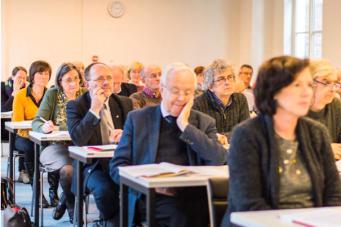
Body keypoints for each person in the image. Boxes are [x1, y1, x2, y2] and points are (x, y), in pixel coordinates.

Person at [222, 56, 341, 226]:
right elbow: (249, 203)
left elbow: (334, 194)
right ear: (274, 91)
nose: (307, 92)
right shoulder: (247, 135)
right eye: (297, 85)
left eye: (309, 85)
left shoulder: (317, 133)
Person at [110, 62, 227, 227]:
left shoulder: (203, 122)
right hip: (152, 196)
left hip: (195, 196)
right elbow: (117, 168)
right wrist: (149, 184)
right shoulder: (138, 119)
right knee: (180, 215)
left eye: (187, 92)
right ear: (163, 90)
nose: (181, 98)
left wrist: (185, 126)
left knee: (226, 214)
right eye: (175, 91)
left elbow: (218, 159)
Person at [66, 62, 133, 226]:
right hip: (91, 165)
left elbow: (136, 136)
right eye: (100, 78)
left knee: (139, 188)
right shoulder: (76, 105)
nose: (106, 82)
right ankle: (114, 222)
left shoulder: (124, 103)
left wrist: (126, 135)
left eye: (109, 78)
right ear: (87, 84)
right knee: (105, 190)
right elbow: (78, 140)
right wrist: (94, 110)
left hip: (120, 161)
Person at [32, 63, 86, 223]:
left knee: (86, 169)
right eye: (68, 80)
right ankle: (71, 208)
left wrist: (60, 126)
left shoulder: (84, 94)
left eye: (76, 79)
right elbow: (36, 122)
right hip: (55, 147)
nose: (73, 83)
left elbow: (87, 123)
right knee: (69, 171)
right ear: (60, 81)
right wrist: (45, 127)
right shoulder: (52, 94)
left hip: (80, 146)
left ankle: (63, 199)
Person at [12, 60, 52, 207]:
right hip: (24, 136)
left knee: (59, 149)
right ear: (32, 76)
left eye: (46, 73)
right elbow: (17, 122)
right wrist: (37, 126)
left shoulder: (51, 94)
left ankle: (53, 192)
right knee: (31, 148)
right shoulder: (21, 95)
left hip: (47, 135)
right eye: (40, 73)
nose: (43, 76)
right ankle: (37, 193)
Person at [193, 59, 250, 145]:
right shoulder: (198, 103)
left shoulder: (240, 99)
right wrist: (216, 138)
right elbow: (199, 136)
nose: (227, 82)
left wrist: (225, 138)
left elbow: (245, 131)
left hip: (234, 151)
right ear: (210, 86)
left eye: (230, 77)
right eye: (221, 79)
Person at [307, 60, 341, 159]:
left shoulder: (335, 104)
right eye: (326, 83)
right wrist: (324, 149)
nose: (333, 89)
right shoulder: (294, 109)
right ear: (310, 83)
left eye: (335, 83)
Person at [1, 66, 29, 183]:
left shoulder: (28, 90)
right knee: (20, 135)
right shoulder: (3, 87)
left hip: (19, 127)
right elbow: (3, 109)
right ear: (12, 77)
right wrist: (14, 93)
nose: (21, 80)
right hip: (4, 128)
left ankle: (24, 171)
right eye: (19, 77)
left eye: (24, 78)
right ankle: (20, 171)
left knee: (25, 135)